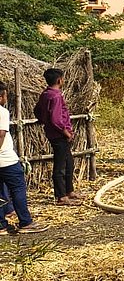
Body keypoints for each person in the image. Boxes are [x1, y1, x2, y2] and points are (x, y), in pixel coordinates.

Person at [0, 81, 46, 233]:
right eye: (5, 95)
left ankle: (1, 225)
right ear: (1, 97)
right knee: (18, 188)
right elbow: (1, 135)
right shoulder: (2, 112)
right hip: (6, 159)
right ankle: (25, 222)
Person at [34, 68, 82, 205]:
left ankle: (69, 191)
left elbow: (37, 110)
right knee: (60, 165)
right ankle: (61, 196)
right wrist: (66, 132)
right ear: (59, 80)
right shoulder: (55, 96)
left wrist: (44, 120)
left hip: (54, 133)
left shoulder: (46, 94)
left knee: (68, 162)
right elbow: (56, 119)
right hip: (59, 135)